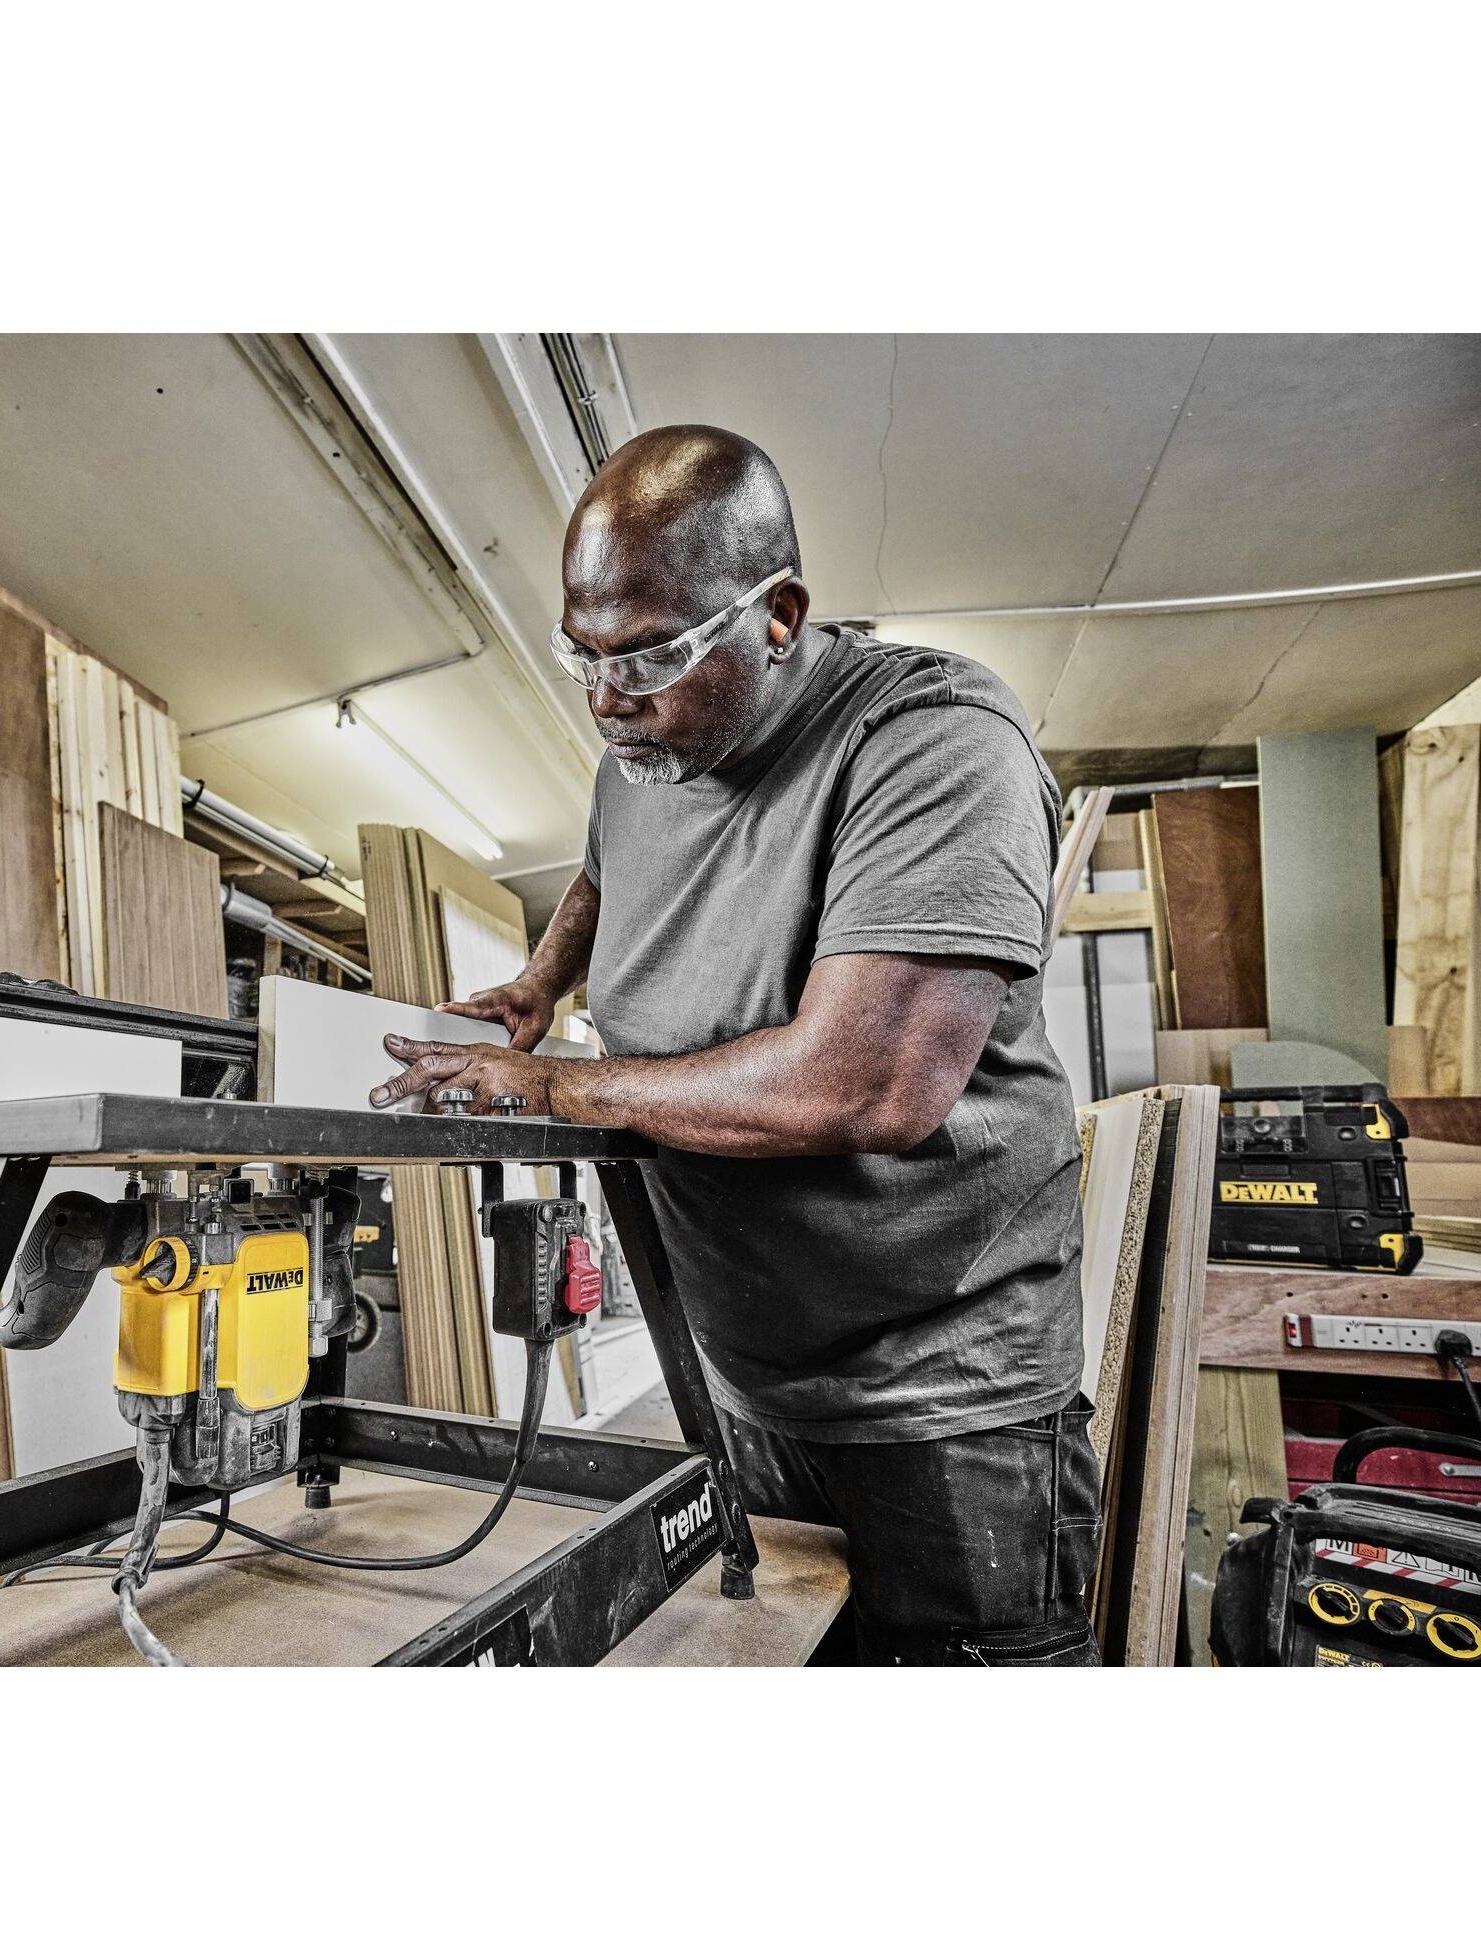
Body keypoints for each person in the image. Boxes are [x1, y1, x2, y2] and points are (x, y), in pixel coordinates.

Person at [369, 424, 1097, 1666]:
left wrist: (557, 1085)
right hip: (740, 1373)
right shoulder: (646, 749)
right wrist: (543, 980)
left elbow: (866, 1084)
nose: (607, 699)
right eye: (581, 656)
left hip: (942, 1403)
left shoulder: (932, 739)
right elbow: (611, 863)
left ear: (778, 614)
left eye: (647, 654)